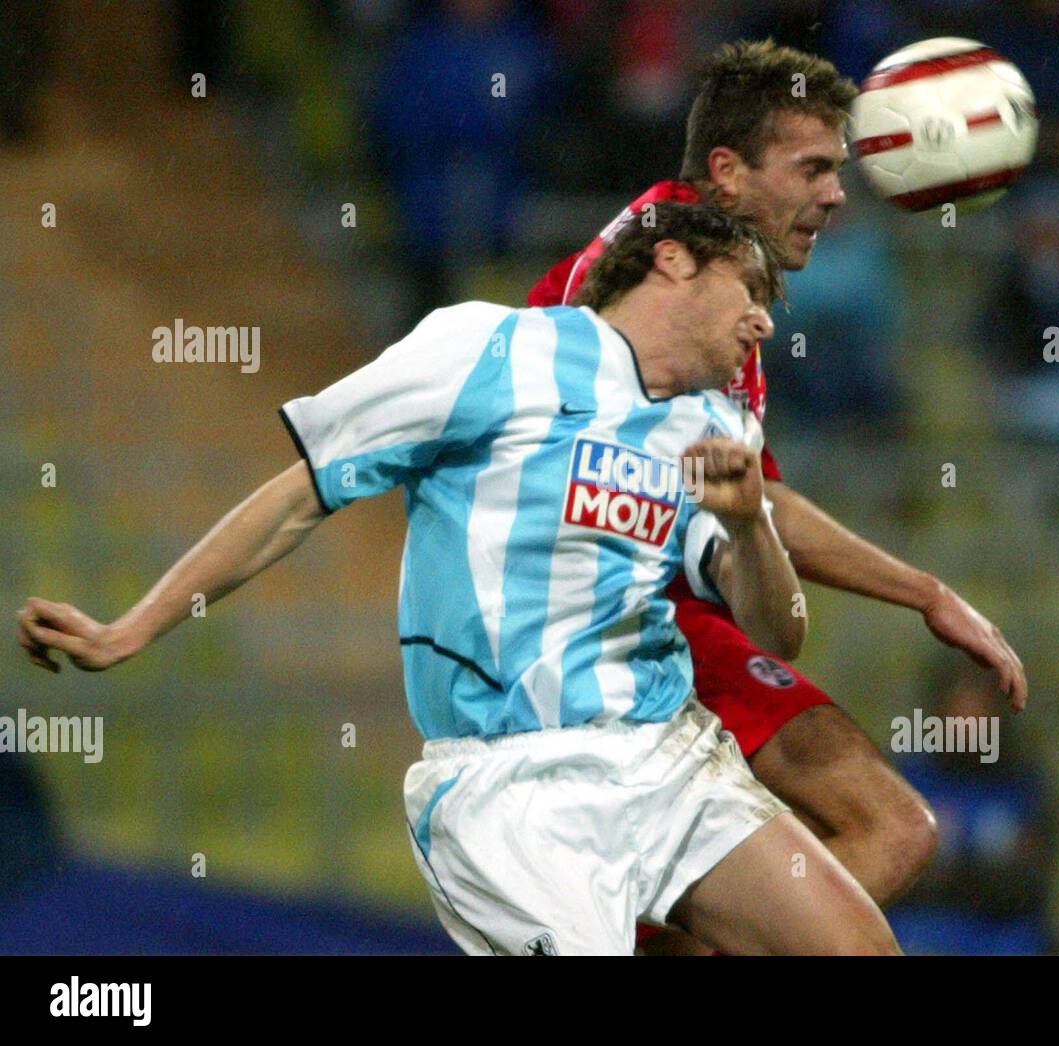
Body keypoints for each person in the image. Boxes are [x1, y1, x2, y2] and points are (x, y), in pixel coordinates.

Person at [17, 203, 900, 956]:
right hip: (512, 788)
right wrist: (129, 627)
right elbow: (301, 495)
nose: (764, 324)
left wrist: (750, 527)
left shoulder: (712, 429)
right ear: (672, 259)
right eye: (752, 291)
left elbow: (777, 637)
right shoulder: (489, 348)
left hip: (670, 759)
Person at [530, 39, 1028, 953]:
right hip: (602, 635)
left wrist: (925, 593)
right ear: (727, 172)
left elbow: (752, 494)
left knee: (896, 829)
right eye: (814, 169)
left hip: (680, 616)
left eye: (839, 169)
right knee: (872, 839)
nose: (839, 194)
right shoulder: (635, 284)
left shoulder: (729, 292)